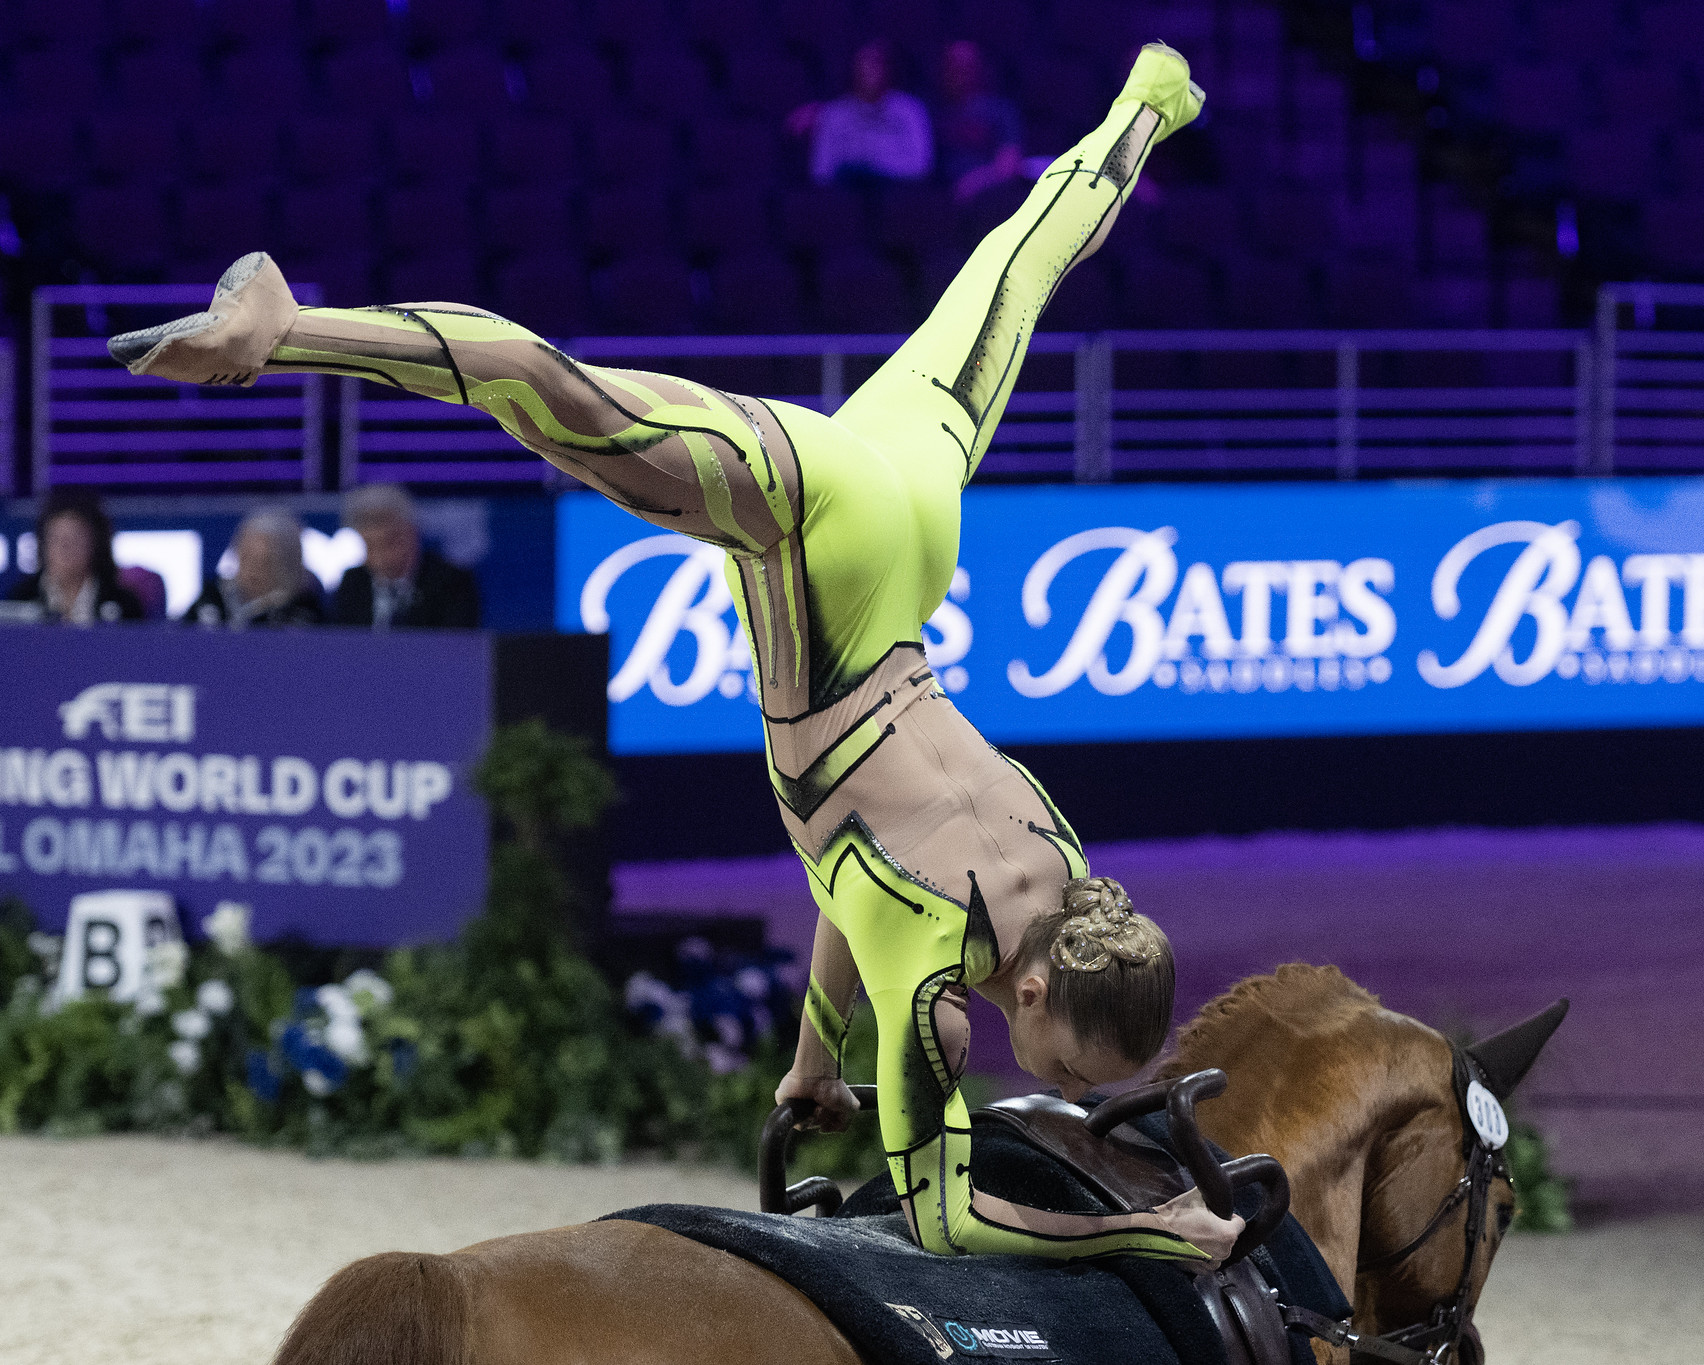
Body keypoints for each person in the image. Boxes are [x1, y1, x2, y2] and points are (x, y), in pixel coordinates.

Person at [109, 45, 1237, 1264]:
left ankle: (1142, 103)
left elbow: (848, 876)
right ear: (1030, 997)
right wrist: (1153, 1230)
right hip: (822, 543)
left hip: (912, 511)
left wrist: (813, 1064)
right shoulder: (933, 969)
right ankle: (286, 328)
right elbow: (947, 1217)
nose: (1059, 1091)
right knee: (568, 404)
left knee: (1012, 273)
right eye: (1065, 1069)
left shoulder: (1065, 865)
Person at [329, 484, 481, 629]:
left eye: (389, 541)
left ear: (411, 532)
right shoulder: (353, 582)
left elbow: (454, 647)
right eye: (370, 545)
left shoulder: (451, 582)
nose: (380, 555)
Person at [787, 39, 933, 187]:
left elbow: (921, 166)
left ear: (889, 69)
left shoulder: (911, 111)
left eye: (876, 63)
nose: (869, 70)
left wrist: (873, 171)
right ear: (853, 68)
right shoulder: (833, 114)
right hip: (844, 201)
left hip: (898, 198)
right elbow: (821, 171)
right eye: (863, 63)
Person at [6, 490, 146, 624]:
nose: (65, 549)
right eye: (57, 539)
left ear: (95, 543)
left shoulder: (125, 606)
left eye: (76, 539)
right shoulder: (18, 600)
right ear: (43, 544)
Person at [185, 506, 327, 627]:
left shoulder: (303, 612)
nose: (253, 570)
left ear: (288, 565)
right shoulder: (211, 598)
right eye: (246, 558)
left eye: (266, 562)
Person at [935, 39, 1027, 203]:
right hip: (939, 197)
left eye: (965, 67)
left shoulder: (1001, 111)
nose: (958, 74)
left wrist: (971, 183)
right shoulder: (932, 110)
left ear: (979, 68)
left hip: (987, 197)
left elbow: (1009, 165)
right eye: (952, 66)